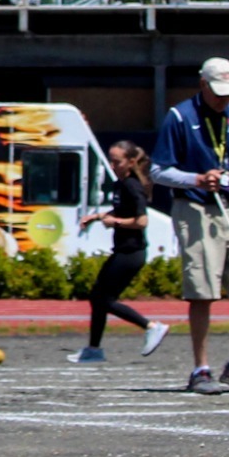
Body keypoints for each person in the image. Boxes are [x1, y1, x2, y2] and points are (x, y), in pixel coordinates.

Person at [150, 57, 229, 394]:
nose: (225, 99)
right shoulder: (180, 116)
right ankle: (200, 370)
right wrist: (196, 178)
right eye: (219, 92)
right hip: (195, 206)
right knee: (202, 290)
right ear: (202, 85)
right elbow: (158, 171)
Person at [67, 141, 171, 364]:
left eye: (117, 161)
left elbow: (141, 220)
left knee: (103, 298)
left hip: (131, 253)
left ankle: (152, 326)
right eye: (111, 160)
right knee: (97, 297)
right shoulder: (121, 184)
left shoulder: (133, 186)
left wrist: (116, 222)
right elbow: (123, 209)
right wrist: (96, 217)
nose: (113, 165)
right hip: (122, 250)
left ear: (131, 162)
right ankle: (93, 349)